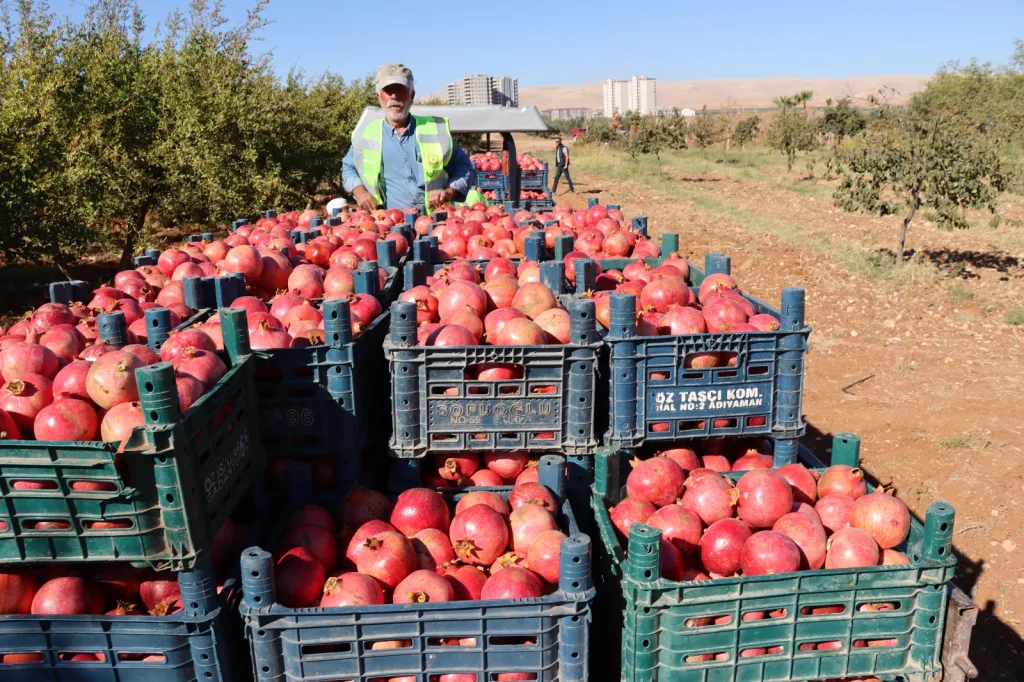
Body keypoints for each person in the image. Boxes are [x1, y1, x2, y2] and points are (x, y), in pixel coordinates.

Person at [341, 63, 474, 214]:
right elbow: (348, 168)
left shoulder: (435, 130)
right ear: (378, 97)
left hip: (437, 221)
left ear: (411, 95)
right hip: (389, 223)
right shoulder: (365, 134)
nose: (394, 96)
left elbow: (464, 167)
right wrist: (360, 192)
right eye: (388, 91)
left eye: (400, 90)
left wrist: (449, 192)